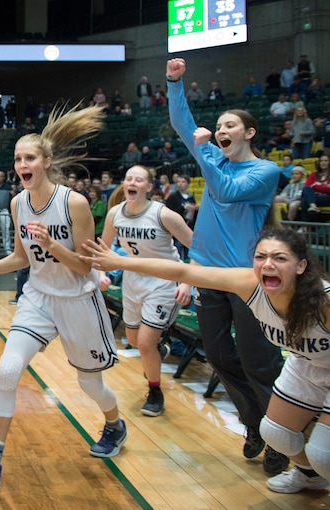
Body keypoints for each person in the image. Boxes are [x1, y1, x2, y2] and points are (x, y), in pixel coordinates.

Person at [0, 104, 125, 490]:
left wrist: (52, 244)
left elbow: (85, 265)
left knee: (90, 385)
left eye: (29, 158)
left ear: (45, 162)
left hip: (78, 298)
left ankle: (115, 425)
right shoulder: (17, 203)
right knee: (8, 369)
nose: (21, 164)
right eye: (17, 159)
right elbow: (20, 257)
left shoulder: (73, 203)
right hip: (39, 298)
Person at [83, 227, 330, 495]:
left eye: (280, 258)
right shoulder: (249, 284)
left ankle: (318, 467)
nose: (268, 264)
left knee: (322, 454)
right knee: (276, 433)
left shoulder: (323, 301)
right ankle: (309, 476)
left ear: (301, 266)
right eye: (261, 257)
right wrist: (119, 261)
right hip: (305, 363)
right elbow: (183, 272)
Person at [166, 57, 288, 475]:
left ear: (249, 133)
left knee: (260, 362)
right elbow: (184, 124)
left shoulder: (265, 171)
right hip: (206, 275)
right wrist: (174, 84)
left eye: (230, 125)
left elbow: (226, 190)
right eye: (217, 126)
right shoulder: (213, 157)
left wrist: (204, 150)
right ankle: (256, 425)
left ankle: (282, 437)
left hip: (246, 280)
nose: (221, 130)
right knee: (218, 356)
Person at [100, 165, 192, 416]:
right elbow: (103, 249)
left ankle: (154, 391)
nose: (132, 182)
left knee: (143, 342)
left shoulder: (163, 214)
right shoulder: (115, 214)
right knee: (133, 341)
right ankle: (157, 351)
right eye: (128, 178)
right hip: (133, 281)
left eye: (139, 179)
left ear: (149, 187)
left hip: (163, 282)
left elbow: (196, 246)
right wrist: (101, 274)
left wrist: (187, 281)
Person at [165, 174, 198, 259]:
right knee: (178, 251)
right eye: (179, 182)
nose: (180, 184)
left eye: (183, 182)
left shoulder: (190, 196)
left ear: (188, 184)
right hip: (177, 228)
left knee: (189, 252)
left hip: (189, 226)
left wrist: (195, 208)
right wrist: (182, 208)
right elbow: (169, 211)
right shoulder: (173, 196)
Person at [299, 154, 330, 221]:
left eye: (326, 161)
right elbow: (307, 187)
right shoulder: (313, 174)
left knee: (305, 200)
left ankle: (305, 226)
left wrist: (315, 186)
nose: (323, 163)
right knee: (305, 196)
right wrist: (324, 187)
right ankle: (313, 206)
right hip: (315, 197)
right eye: (321, 161)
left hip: (327, 198)